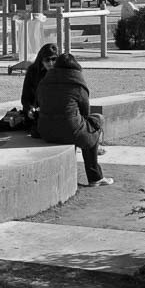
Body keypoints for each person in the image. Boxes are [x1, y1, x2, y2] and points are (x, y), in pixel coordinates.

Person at [37, 53, 113, 187]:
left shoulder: (44, 81)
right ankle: (95, 177)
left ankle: (94, 170)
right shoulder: (77, 83)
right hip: (70, 131)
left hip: (45, 131)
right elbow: (85, 111)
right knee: (96, 121)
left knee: (85, 126)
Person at [20, 43, 58, 126]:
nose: (51, 63)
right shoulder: (33, 72)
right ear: (41, 60)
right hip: (36, 111)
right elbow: (25, 97)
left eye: (54, 59)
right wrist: (30, 109)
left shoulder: (60, 72)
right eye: (47, 60)